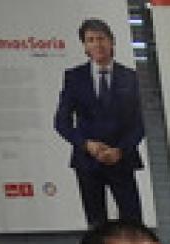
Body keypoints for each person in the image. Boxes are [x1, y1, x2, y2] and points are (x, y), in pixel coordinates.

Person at [53, 18, 147, 225]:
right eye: (91, 40)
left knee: (133, 223)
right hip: (87, 161)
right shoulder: (74, 77)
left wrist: (120, 150)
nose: (97, 44)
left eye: (101, 38)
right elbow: (62, 122)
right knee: (96, 226)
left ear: (112, 41)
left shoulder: (130, 78)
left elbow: (141, 123)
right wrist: (87, 144)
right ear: (85, 46)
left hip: (121, 159)